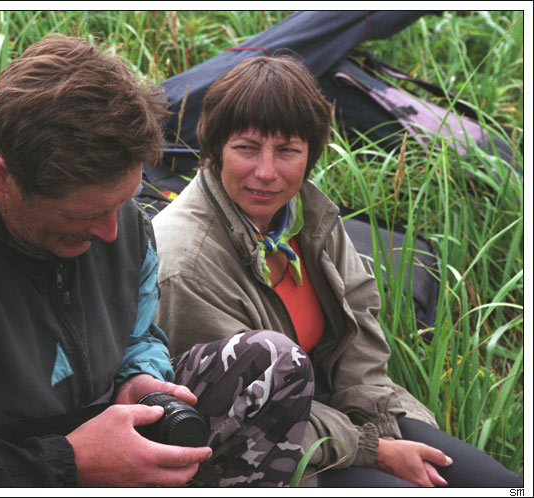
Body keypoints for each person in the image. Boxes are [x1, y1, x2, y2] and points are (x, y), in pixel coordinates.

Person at [0, 34, 314, 487]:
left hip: (86, 444)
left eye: (126, 200)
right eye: (84, 215)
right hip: (18, 469)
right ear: (3, 178)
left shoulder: (121, 224)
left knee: (266, 363)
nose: (113, 232)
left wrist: (137, 381)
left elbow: (139, 335)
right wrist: (68, 464)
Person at [152, 54, 524, 488]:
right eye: (246, 148)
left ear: (311, 154)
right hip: (260, 448)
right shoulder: (186, 261)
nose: (267, 172)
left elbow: (359, 326)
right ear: (214, 150)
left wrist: (377, 421)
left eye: (287, 150)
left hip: (336, 416)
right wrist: (374, 450)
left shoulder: (306, 216)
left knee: (502, 484)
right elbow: (236, 412)